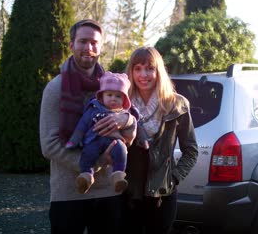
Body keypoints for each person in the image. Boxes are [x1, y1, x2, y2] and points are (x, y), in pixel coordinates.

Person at [40, 19, 135, 234]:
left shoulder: (114, 86)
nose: (88, 48)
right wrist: (97, 163)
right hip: (69, 193)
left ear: (101, 47)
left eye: (94, 43)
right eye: (82, 41)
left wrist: (127, 120)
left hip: (109, 192)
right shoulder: (55, 89)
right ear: (71, 44)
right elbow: (50, 145)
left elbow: (131, 125)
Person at [122, 46, 198, 234]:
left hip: (162, 196)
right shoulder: (122, 103)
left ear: (158, 71)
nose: (143, 74)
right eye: (137, 68)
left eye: (149, 68)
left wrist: (174, 177)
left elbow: (191, 150)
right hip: (128, 195)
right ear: (131, 71)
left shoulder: (177, 104)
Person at [65, 72, 135, 194]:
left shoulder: (124, 114)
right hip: (94, 140)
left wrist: (141, 137)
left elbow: (134, 128)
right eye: (109, 95)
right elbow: (82, 125)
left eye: (118, 96)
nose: (113, 98)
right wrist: (74, 140)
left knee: (121, 150)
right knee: (88, 154)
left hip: (114, 141)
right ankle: (86, 176)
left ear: (124, 100)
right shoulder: (94, 109)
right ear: (102, 96)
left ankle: (118, 175)